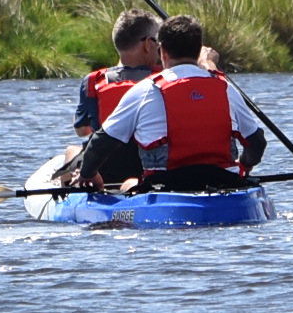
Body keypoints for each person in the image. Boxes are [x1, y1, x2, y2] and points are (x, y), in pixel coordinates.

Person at [83, 14, 266, 191]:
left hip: (165, 187)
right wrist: (245, 164)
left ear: (162, 51)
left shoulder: (146, 89)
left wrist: (88, 173)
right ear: (198, 51)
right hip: (225, 183)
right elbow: (257, 143)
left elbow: (102, 141)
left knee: (129, 183)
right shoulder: (225, 88)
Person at [52, 10, 164, 185]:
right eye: (158, 42)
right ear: (148, 44)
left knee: (72, 150)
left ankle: (71, 193)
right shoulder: (166, 78)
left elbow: (82, 130)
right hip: (149, 165)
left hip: (102, 169)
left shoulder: (93, 81)